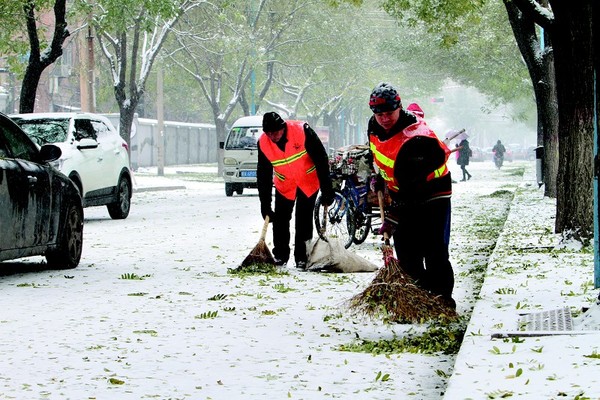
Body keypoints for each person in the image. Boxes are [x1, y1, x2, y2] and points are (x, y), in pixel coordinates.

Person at [367, 82, 455, 307]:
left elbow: (412, 188)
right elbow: (376, 152)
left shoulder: (416, 138)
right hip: (403, 190)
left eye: (389, 113)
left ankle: (442, 301)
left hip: (433, 192)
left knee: (433, 248)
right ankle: (417, 299)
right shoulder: (374, 125)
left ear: (400, 108)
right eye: (380, 114)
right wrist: (378, 176)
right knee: (406, 251)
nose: (385, 118)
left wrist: (393, 218)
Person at [257, 111, 334, 270]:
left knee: (303, 219)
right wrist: (265, 204)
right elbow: (263, 174)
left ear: (283, 127)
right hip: (285, 185)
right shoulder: (263, 143)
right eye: (269, 133)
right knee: (280, 220)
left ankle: (302, 257)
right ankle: (280, 255)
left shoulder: (302, 131)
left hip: (308, 182)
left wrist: (327, 189)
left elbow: (321, 158)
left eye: (276, 132)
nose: (273, 136)